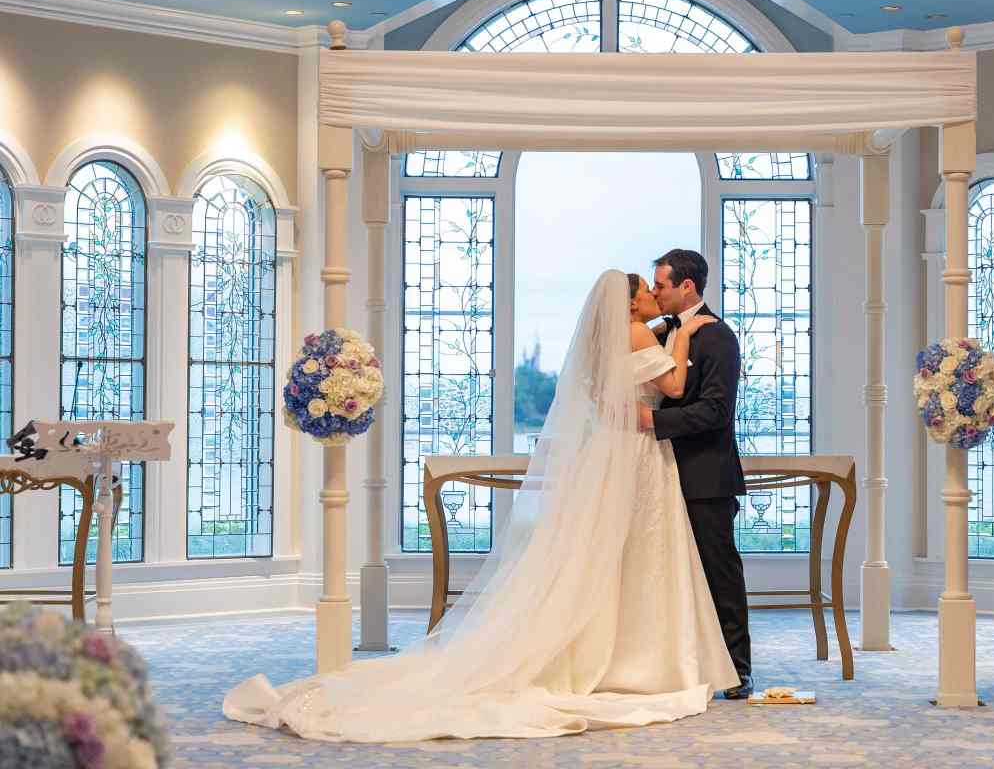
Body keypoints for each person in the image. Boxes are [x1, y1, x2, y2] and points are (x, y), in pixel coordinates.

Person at [223, 269, 739, 742]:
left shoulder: (604, 343)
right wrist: (685, 339)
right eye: (647, 291)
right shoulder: (644, 333)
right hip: (639, 456)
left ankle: (621, 654)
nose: (654, 296)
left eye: (658, 286)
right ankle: (641, 658)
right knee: (639, 553)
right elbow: (672, 386)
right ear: (628, 305)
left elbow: (610, 399)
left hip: (620, 454)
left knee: (611, 556)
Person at [637, 249, 753, 700]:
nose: (654, 293)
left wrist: (653, 422)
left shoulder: (718, 336)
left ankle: (738, 670)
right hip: (658, 477)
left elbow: (717, 410)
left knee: (719, 572)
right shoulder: (662, 332)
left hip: (706, 475)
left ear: (687, 286)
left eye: (660, 285)